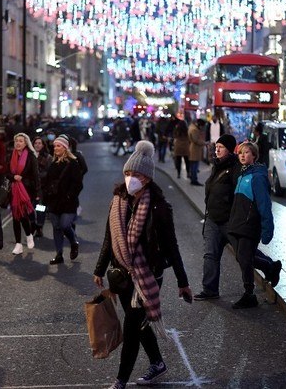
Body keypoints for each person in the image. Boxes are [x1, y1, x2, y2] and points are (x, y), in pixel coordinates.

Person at [92, 140, 192, 389]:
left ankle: (120, 380)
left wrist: (183, 282)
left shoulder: (159, 208)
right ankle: (157, 362)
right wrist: (99, 268)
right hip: (122, 273)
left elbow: (171, 246)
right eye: (127, 173)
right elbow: (109, 237)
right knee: (138, 322)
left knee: (132, 326)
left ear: (146, 178)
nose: (130, 179)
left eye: (135, 174)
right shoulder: (118, 202)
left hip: (147, 274)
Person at [228, 141, 281, 309]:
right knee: (243, 257)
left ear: (254, 156)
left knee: (244, 258)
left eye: (247, 153)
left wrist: (267, 230)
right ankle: (271, 267)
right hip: (239, 224)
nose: (243, 155)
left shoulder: (257, 177)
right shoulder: (243, 175)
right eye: (240, 153)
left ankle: (249, 294)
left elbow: (264, 204)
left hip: (250, 225)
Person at [194, 135, 240, 300]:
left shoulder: (235, 167)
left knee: (245, 255)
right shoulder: (217, 165)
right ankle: (210, 290)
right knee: (210, 255)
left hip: (229, 220)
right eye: (217, 146)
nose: (217, 149)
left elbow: (238, 195)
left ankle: (270, 267)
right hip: (213, 219)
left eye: (221, 147)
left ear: (230, 149)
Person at [42, 135, 83, 264]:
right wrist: (47, 195)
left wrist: (70, 196)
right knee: (56, 227)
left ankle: (74, 242)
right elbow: (48, 181)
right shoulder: (53, 164)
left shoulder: (73, 163)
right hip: (54, 202)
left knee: (65, 225)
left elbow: (78, 183)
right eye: (54, 146)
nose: (55, 148)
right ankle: (59, 254)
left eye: (58, 146)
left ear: (65, 148)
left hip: (68, 202)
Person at [8, 133, 40, 255]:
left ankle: (28, 234)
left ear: (26, 143)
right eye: (16, 141)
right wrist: (13, 176)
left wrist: (38, 192)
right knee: (16, 217)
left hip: (27, 190)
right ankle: (18, 244)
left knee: (23, 215)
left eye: (20, 141)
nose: (18, 143)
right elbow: (6, 173)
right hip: (14, 189)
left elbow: (36, 175)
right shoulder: (11, 155)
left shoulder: (31, 156)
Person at [32, 136, 52, 237]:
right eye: (36, 143)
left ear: (43, 145)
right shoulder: (29, 156)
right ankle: (33, 224)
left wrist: (37, 176)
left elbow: (49, 173)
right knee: (30, 208)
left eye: (39, 143)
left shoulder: (47, 157)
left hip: (42, 188)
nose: (37, 145)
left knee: (40, 208)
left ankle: (39, 226)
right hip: (30, 188)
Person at [187, 119, 205, 186]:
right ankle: (194, 180)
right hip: (195, 149)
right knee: (194, 166)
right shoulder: (194, 129)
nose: (202, 128)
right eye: (202, 126)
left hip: (194, 148)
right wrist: (204, 143)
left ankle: (193, 179)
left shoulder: (191, 127)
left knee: (193, 165)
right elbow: (196, 140)